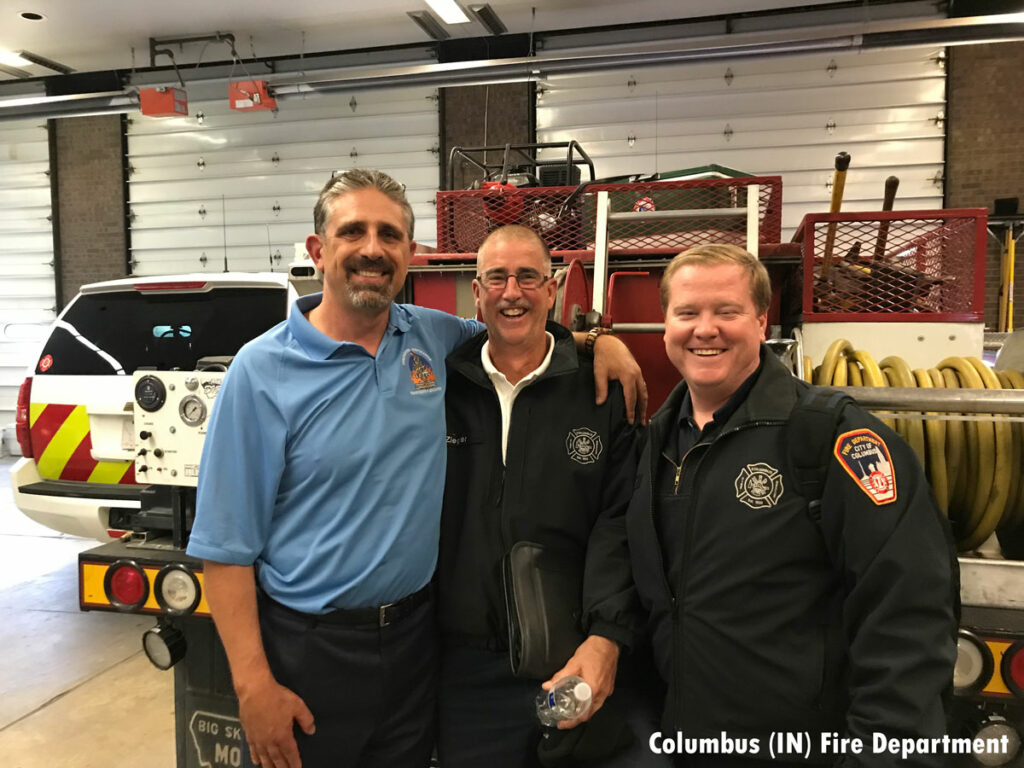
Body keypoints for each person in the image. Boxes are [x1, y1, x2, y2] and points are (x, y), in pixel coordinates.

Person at [186, 169, 647, 768]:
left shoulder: (430, 337)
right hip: (309, 650)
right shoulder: (262, 370)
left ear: (410, 255)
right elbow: (225, 548)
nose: (373, 248)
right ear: (318, 251)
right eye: (354, 231)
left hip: (414, 647)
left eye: (390, 235)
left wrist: (597, 342)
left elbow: (516, 332)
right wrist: (252, 686)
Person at [625, 244, 957, 767]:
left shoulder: (833, 440)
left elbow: (907, 617)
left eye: (726, 312)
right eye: (687, 313)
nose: (704, 329)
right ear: (664, 324)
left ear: (761, 321)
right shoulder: (657, 444)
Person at [437, 224, 669, 768]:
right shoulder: (439, 387)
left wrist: (609, 636)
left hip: (577, 659)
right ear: (476, 292)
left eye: (527, 277)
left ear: (553, 288)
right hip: (467, 676)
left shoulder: (603, 391)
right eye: (496, 277)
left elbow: (623, 521)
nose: (511, 292)